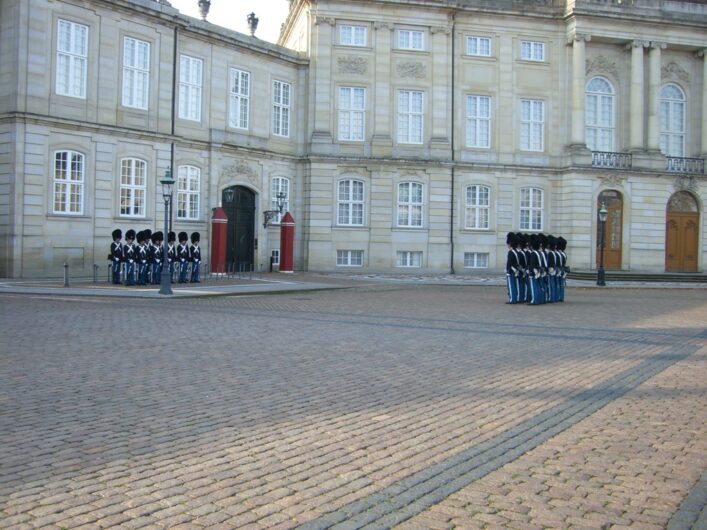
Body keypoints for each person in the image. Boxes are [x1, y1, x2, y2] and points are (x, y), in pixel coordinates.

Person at [505, 232, 520, 304]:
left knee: (511, 286)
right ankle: (514, 298)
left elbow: (509, 263)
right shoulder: (516, 252)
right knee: (514, 285)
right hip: (515, 270)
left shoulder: (511, 252)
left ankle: (512, 299)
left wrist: (508, 270)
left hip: (511, 271)